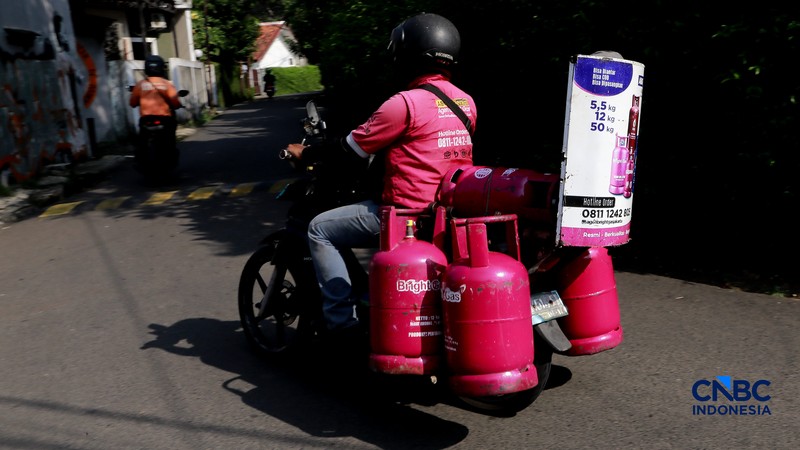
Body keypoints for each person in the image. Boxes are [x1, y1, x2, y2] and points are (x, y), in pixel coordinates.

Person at [283, 13, 476, 342]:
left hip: (404, 215)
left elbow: (348, 150)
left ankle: (340, 326)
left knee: (319, 230)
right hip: (447, 213)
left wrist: (307, 153)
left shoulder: (404, 104)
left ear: (408, 56)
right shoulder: (465, 102)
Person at [129, 55, 182, 150]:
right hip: (165, 119)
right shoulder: (167, 84)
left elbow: (133, 103)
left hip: (146, 120)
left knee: (141, 143)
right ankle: (170, 153)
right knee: (170, 140)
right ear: (162, 68)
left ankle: (141, 158)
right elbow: (175, 102)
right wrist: (178, 105)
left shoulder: (140, 85)